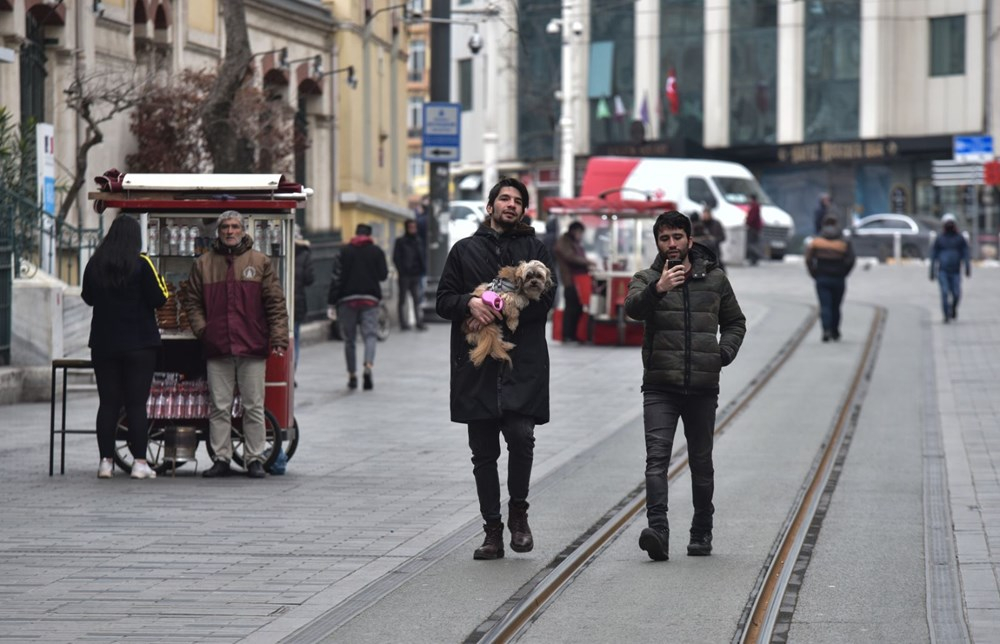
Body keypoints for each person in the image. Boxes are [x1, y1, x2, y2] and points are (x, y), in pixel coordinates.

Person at [436, 177, 556, 560]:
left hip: (523, 363)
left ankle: (518, 513)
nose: (511, 204)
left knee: (522, 437)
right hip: (478, 366)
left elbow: (549, 299)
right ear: (490, 207)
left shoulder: (536, 249)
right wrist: (468, 305)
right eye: (504, 199)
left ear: (524, 209)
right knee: (483, 453)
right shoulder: (464, 250)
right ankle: (492, 531)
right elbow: (443, 300)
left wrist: (510, 305)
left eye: (517, 200)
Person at [624, 210, 746, 561]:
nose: (672, 244)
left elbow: (735, 322)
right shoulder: (646, 278)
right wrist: (658, 289)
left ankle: (701, 530)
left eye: (677, 237)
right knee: (656, 460)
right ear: (658, 244)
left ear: (689, 240)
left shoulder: (716, 280)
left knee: (701, 462)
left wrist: (721, 354)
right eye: (665, 239)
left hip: (702, 387)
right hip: (660, 385)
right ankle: (658, 531)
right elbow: (633, 309)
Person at [184, 210, 289, 479]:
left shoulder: (260, 262)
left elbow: (275, 304)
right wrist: (203, 330)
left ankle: (254, 458)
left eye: (234, 227)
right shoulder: (204, 264)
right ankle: (221, 458)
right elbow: (192, 301)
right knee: (219, 406)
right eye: (225, 227)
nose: (230, 231)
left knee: (254, 406)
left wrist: (278, 338)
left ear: (243, 230)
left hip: (251, 344)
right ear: (218, 232)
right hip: (217, 345)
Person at [82, 215, 169, 480]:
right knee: (135, 404)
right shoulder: (142, 264)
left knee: (107, 403)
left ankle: (105, 462)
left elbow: (87, 297)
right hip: (139, 344)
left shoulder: (95, 263)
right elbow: (160, 297)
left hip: (104, 343)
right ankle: (139, 463)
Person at [328, 223, 388, 390]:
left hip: (347, 300)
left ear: (355, 234)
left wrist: (331, 302)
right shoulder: (376, 251)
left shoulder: (344, 251)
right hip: (370, 299)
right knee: (370, 335)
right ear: (370, 235)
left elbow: (336, 278)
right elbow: (383, 276)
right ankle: (368, 366)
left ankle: (352, 375)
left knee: (350, 340)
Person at [805, 214, 855, 342]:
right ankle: (835, 331)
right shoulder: (844, 242)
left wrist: (814, 274)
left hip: (822, 277)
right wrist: (844, 273)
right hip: (839, 278)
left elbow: (808, 259)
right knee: (836, 306)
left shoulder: (816, 242)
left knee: (825, 305)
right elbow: (851, 259)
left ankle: (826, 330)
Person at [554, 220, 594, 343]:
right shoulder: (564, 242)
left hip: (579, 280)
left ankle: (574, 334)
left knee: (578, 307)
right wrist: (587, 262)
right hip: (570, 280)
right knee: (571, 308)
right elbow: (570, 257)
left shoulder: (574, 242)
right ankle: (567, 335)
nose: (581, 235)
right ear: (573, 231)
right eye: (579, 232)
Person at [930, 213, 971, 323]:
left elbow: (965, 253)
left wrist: (967, 267)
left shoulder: (960, 238)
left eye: (951, 223)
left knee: (956, 294)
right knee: (944, 292)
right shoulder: (940, 239)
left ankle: (953, 309)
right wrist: (931, 271)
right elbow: (934, 255)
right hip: (943, 271)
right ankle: (946, 315)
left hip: (955, 272)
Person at [392, 219, 427, 331]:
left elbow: (422, 256)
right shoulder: (400, 241)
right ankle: (403, 323)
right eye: (411, 227)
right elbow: (396, 258)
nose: (413, 229)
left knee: (417, 299)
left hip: (416, 274)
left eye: (414, 227)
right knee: (402, 299)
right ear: (407, 228)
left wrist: (422, 269)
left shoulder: (418, 240)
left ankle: (419, 322)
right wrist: (401, 270)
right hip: (404, 275)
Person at [293, 224, 315, 371]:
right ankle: (291, 372)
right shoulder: (305, 254)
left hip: (279, 302)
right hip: (298, 301)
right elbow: (309, 279)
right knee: (294, 337)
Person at [700, 202, 726, 271]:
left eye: (706, 214)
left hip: (715, 250)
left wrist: (713, 239)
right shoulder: (700, 224)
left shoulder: (716, 224)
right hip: (703, 250)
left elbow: (723, 237)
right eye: (703, 214)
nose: (704, 216)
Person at [745, 193, 763, 266]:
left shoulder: (754, 206)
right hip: (755, 228)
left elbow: (752, 217)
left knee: (752, 244)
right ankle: (753, 259)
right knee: (753, 243)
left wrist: (748, 222)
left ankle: (755, 257)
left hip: (753, 228)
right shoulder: (755, 206)